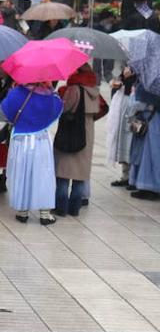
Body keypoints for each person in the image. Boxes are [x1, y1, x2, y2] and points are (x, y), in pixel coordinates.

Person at [1, 81, 64, 224]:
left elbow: (6, 112)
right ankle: (45, 213)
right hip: (41, 140)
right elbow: (58, 108)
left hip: (20, 140)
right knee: (43, 174)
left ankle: (22, 211)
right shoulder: (49, 95)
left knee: (21, 173)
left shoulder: (16, 93)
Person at [53, 62, 107, 218]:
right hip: (87, 132)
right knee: (80, 174)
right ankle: (75, 208)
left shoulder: (73, 89)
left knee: (64, 171)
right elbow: (104, 108)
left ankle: (61, 207)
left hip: (70, 132)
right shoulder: (94, 91)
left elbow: (64, 108)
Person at [128, 86, 160, 200]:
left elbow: (139, 104)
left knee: (149, 155)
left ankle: (149, 187)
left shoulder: (148, 84)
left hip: (151, 123)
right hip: (153, 121)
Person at [108, 68, 138, 188]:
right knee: (123, 142)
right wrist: (121, 79)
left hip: (133, 107)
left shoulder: (141, 70)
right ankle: (125, 175)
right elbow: (119, 83)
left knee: (130, 142)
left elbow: (133, 88)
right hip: (123, 106)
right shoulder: (130, 65)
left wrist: (130, 76)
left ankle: (133, 177)